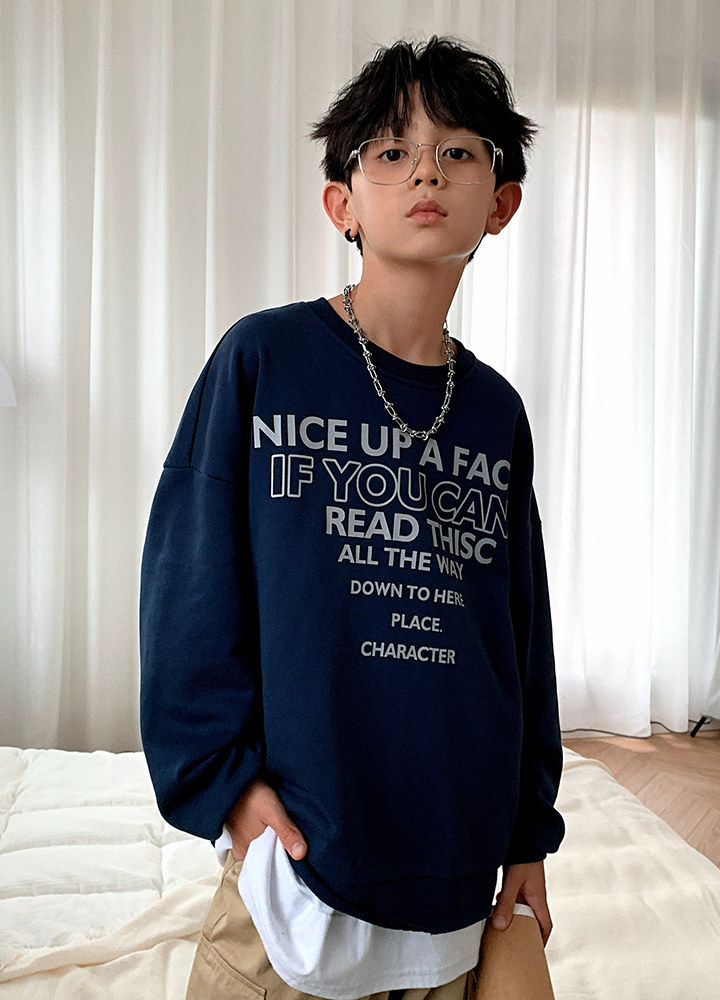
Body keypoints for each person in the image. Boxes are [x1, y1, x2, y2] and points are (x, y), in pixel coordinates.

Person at [140, 35, 565, 1000]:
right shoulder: (264, 359)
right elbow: (188, 586)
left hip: (454, 869)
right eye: (392, 151)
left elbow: (520, 633)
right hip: (295, 872)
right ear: (343, 204)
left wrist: (526, 832)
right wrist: (225, 785)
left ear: (501, 204)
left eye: (458, 151)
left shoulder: (495, 412)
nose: (426, 171)